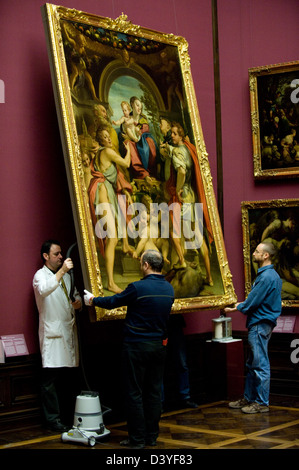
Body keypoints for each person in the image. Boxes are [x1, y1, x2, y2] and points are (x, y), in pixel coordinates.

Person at [84, 249, 175, 449]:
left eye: (141, 262)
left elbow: (112, 302)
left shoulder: (137, 287)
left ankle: (137, 440)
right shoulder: (169, 289)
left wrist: (92, 300)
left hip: (136, 346)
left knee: (134, 393)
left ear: (146, 265)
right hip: (159, 347)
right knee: (153, 394)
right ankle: (151, 437)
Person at [224, 242, 282, 414]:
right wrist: (241, 305)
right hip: (260, 324)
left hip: (259, 324)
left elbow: (252, 303)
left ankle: (261, 403)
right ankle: (249, 398)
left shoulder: (266, 277)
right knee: (252, 364)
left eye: (257, 251)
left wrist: (236, 307)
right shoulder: (271, 276)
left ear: (266, 256)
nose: (253, 253)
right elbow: (255, 301)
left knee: (259, 364)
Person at [33, 239, 82, 431]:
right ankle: (52, 419)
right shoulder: (40, 276)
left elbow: (74, 294)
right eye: (56, 254)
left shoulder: (68, 277)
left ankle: (70, 417)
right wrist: (62, 272)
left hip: (68, 330)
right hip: (53, 334)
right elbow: (45, 290)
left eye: (61, 253)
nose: (61, 257)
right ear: (46, 256)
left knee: (69, 379)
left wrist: (77, 302)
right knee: (50, 382)